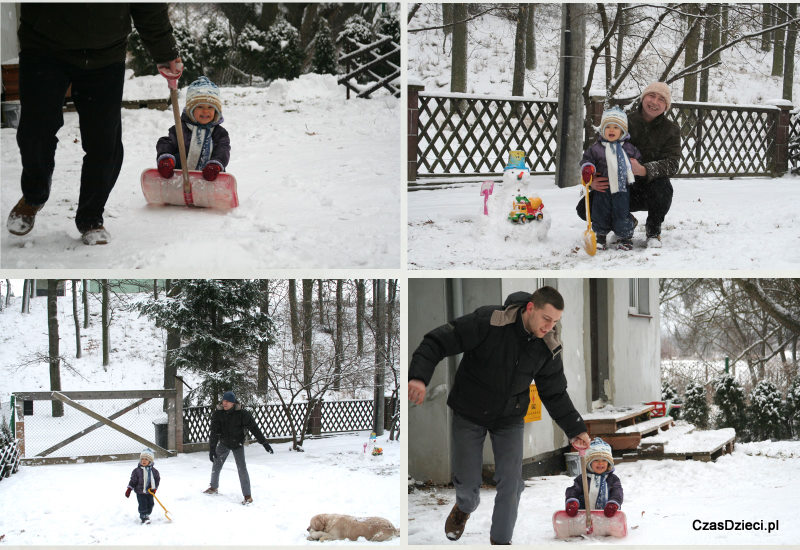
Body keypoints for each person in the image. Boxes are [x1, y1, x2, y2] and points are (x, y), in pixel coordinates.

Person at [408, 286, 591, 545]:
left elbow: (555, 393)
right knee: (469, 489)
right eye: (546, 319)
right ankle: (464, 508)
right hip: (469, 411)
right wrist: (418, 376)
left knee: (511, 483)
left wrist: (576, 428)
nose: (549, 327)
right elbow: (438, 340)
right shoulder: (490, 321)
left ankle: (501, 542)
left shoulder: (547, 344)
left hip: (510, 417)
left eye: (555, 322)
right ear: (530, 308)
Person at [7, 4, 182, 245]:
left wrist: (165, 52)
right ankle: (33, 196)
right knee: (35, 131)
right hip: (44, 47)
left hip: (105, 53)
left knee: (104, 142)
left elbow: (148, 5)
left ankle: (91, 217)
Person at [576, 82, 681, 248]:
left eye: (661, 99)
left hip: (648, 188)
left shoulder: (671, 129)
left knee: (664, 187)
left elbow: (673, 164)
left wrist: (644, 169)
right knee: (584, 209)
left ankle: (653, 231)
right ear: (643, 98)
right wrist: (592, 180)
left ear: (666, 106)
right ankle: (625, 222)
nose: (655, 102)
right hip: (617, 184)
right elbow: (599, 152)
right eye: (651, 96)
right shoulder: (623, 120)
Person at [580, 106, 643, 251]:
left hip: (622, 188)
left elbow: (637, 160)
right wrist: (588, 168)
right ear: (602, 130)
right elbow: (587, 160)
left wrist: (636, 166)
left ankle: (625, 237)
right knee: (600, 211)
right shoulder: (596, 148)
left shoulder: (628, 148)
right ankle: (600, 236)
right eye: (608, 127)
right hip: (602, 187)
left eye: (616, 127)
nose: (611, 130)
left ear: (623, 131)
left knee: (621, 212)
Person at [204, 391, 274, 505]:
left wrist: (264, 443)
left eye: (228, 401)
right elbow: (214, 432)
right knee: (216, 464)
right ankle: (213, 487)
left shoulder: (242, 414)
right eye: (224, 401)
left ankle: (247, 496)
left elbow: (254, 428)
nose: (225, 403)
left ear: (233, 403)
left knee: (242, 468)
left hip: (237, 444)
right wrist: (212, 449)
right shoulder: (218, 414)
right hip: (224, 443)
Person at [156, 76, 230, 181]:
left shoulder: (220, 133)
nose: (205, 111)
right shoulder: (180, 129)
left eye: (210, 107)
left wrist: (215, 165)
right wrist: (166, 159)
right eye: (200, 107)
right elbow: (166, 143)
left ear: (216, 111)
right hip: (181, 178)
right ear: (190, 110)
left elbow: (223, 150)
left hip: (210, 178)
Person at [564, 437, 623, 518]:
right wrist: (572, 502)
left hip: (607, 516)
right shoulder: (582, 478)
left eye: (604, 460)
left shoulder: (612, 479)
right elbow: (573, 491)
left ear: (609, 463)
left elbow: (617, 492)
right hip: (584, 517)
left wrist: (613, 504)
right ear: (589, 463)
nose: (600, 463)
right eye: (596, 460)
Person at [125, 448, 161, 524]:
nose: (143, 461)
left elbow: (157, 480)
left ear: (150, 461)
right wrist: (129, 489)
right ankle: (144, 517)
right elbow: (133, 481)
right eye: (142, 459)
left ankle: (147, 514)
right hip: (140, 492)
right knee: (143, 504)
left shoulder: (154, 471)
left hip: (150, 492)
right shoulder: (137, 471)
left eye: (146, 459)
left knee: (151, 504)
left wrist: (154, 489)